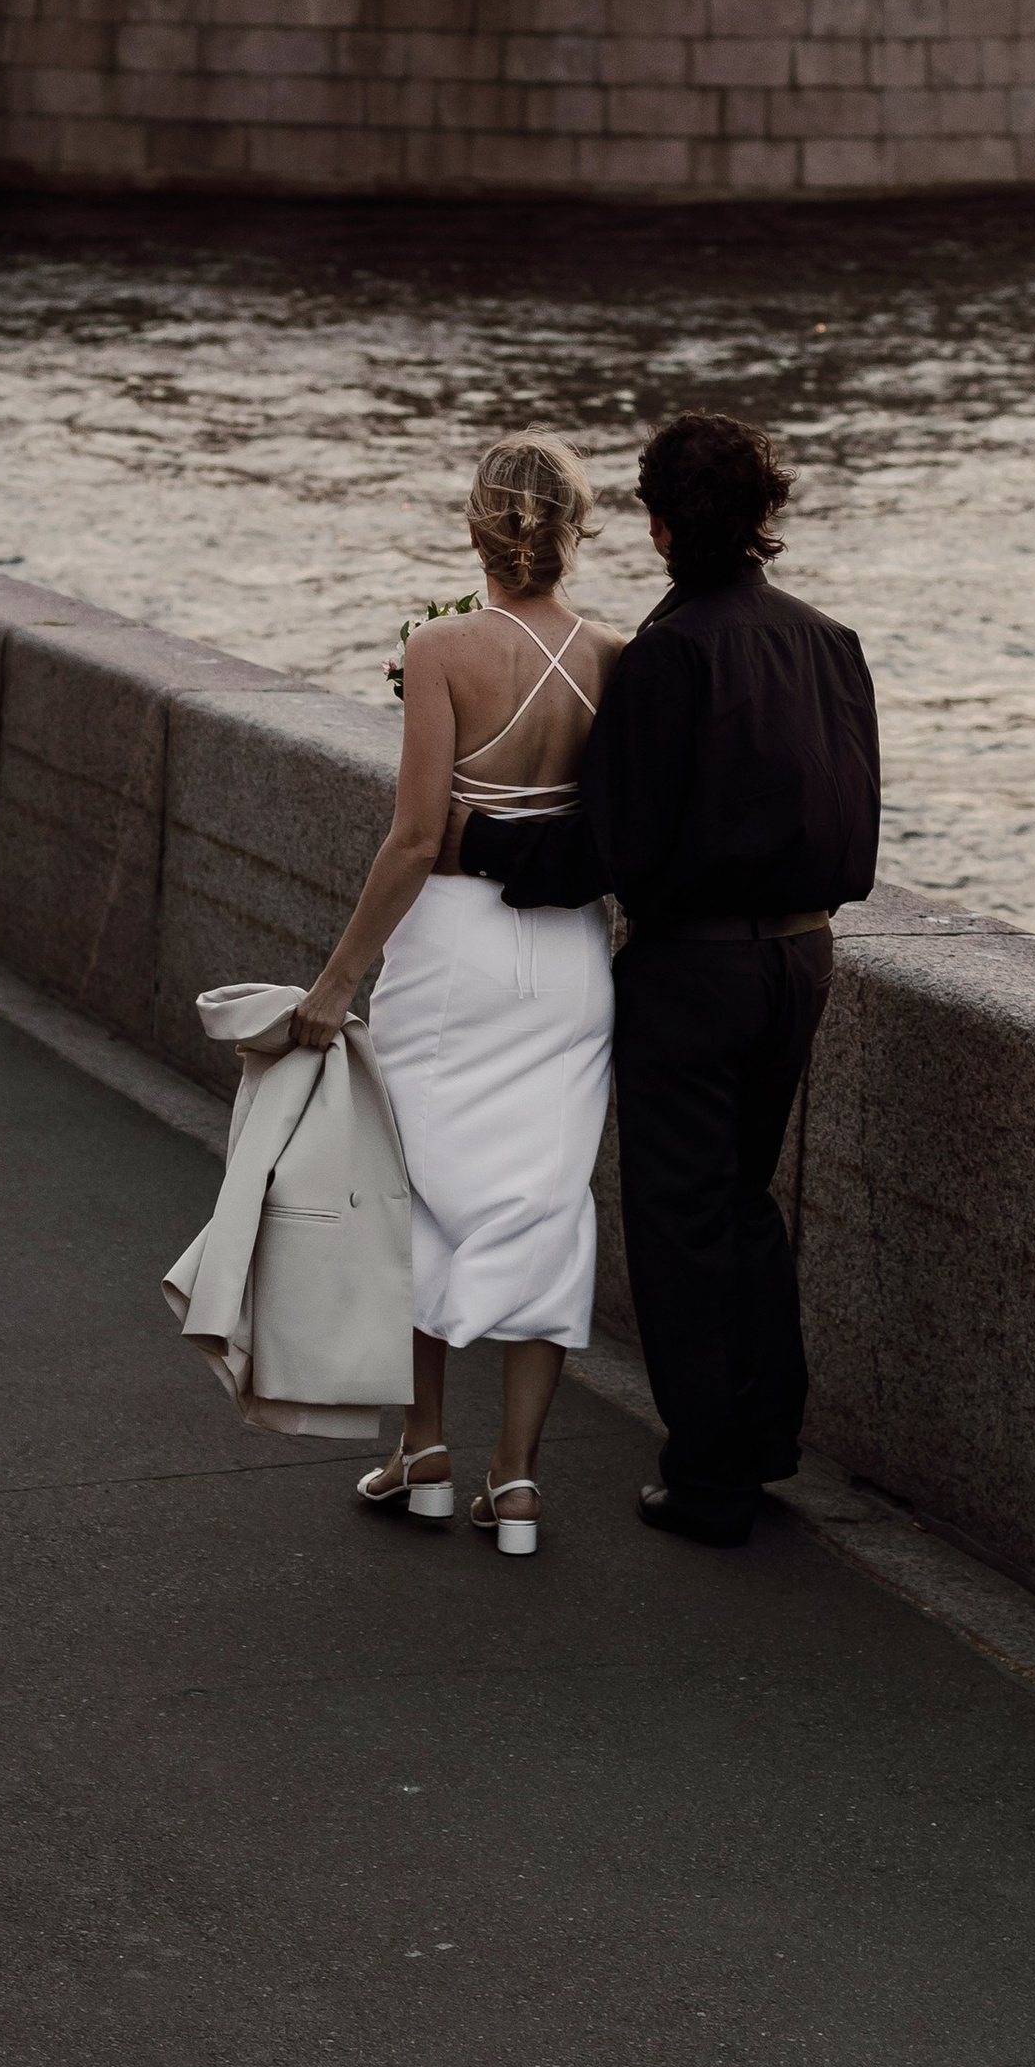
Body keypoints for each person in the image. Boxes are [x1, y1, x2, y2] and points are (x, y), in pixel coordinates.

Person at [459, 412, 880, 1548]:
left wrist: (480, 846)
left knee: (681, 1222)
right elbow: (855, 824)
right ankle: (761, 1443)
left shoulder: (669, 653)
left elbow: (614, 847)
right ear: (764, 517)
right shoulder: (829, 641)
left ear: (654, 526)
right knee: (745, 1203)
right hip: (803, 957)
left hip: (692, 968)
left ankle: (707, 1483)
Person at [291, 436, 624, 1558]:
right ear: (573, 530)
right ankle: (516, 1483)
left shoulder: (438, 649)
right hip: (569, 956)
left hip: (452, 954)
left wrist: (336, 982)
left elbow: (415, 838)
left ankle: (422, 1448)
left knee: (421, 1190)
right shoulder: (619, 656)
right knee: (545, 1198)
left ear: (478, 530)